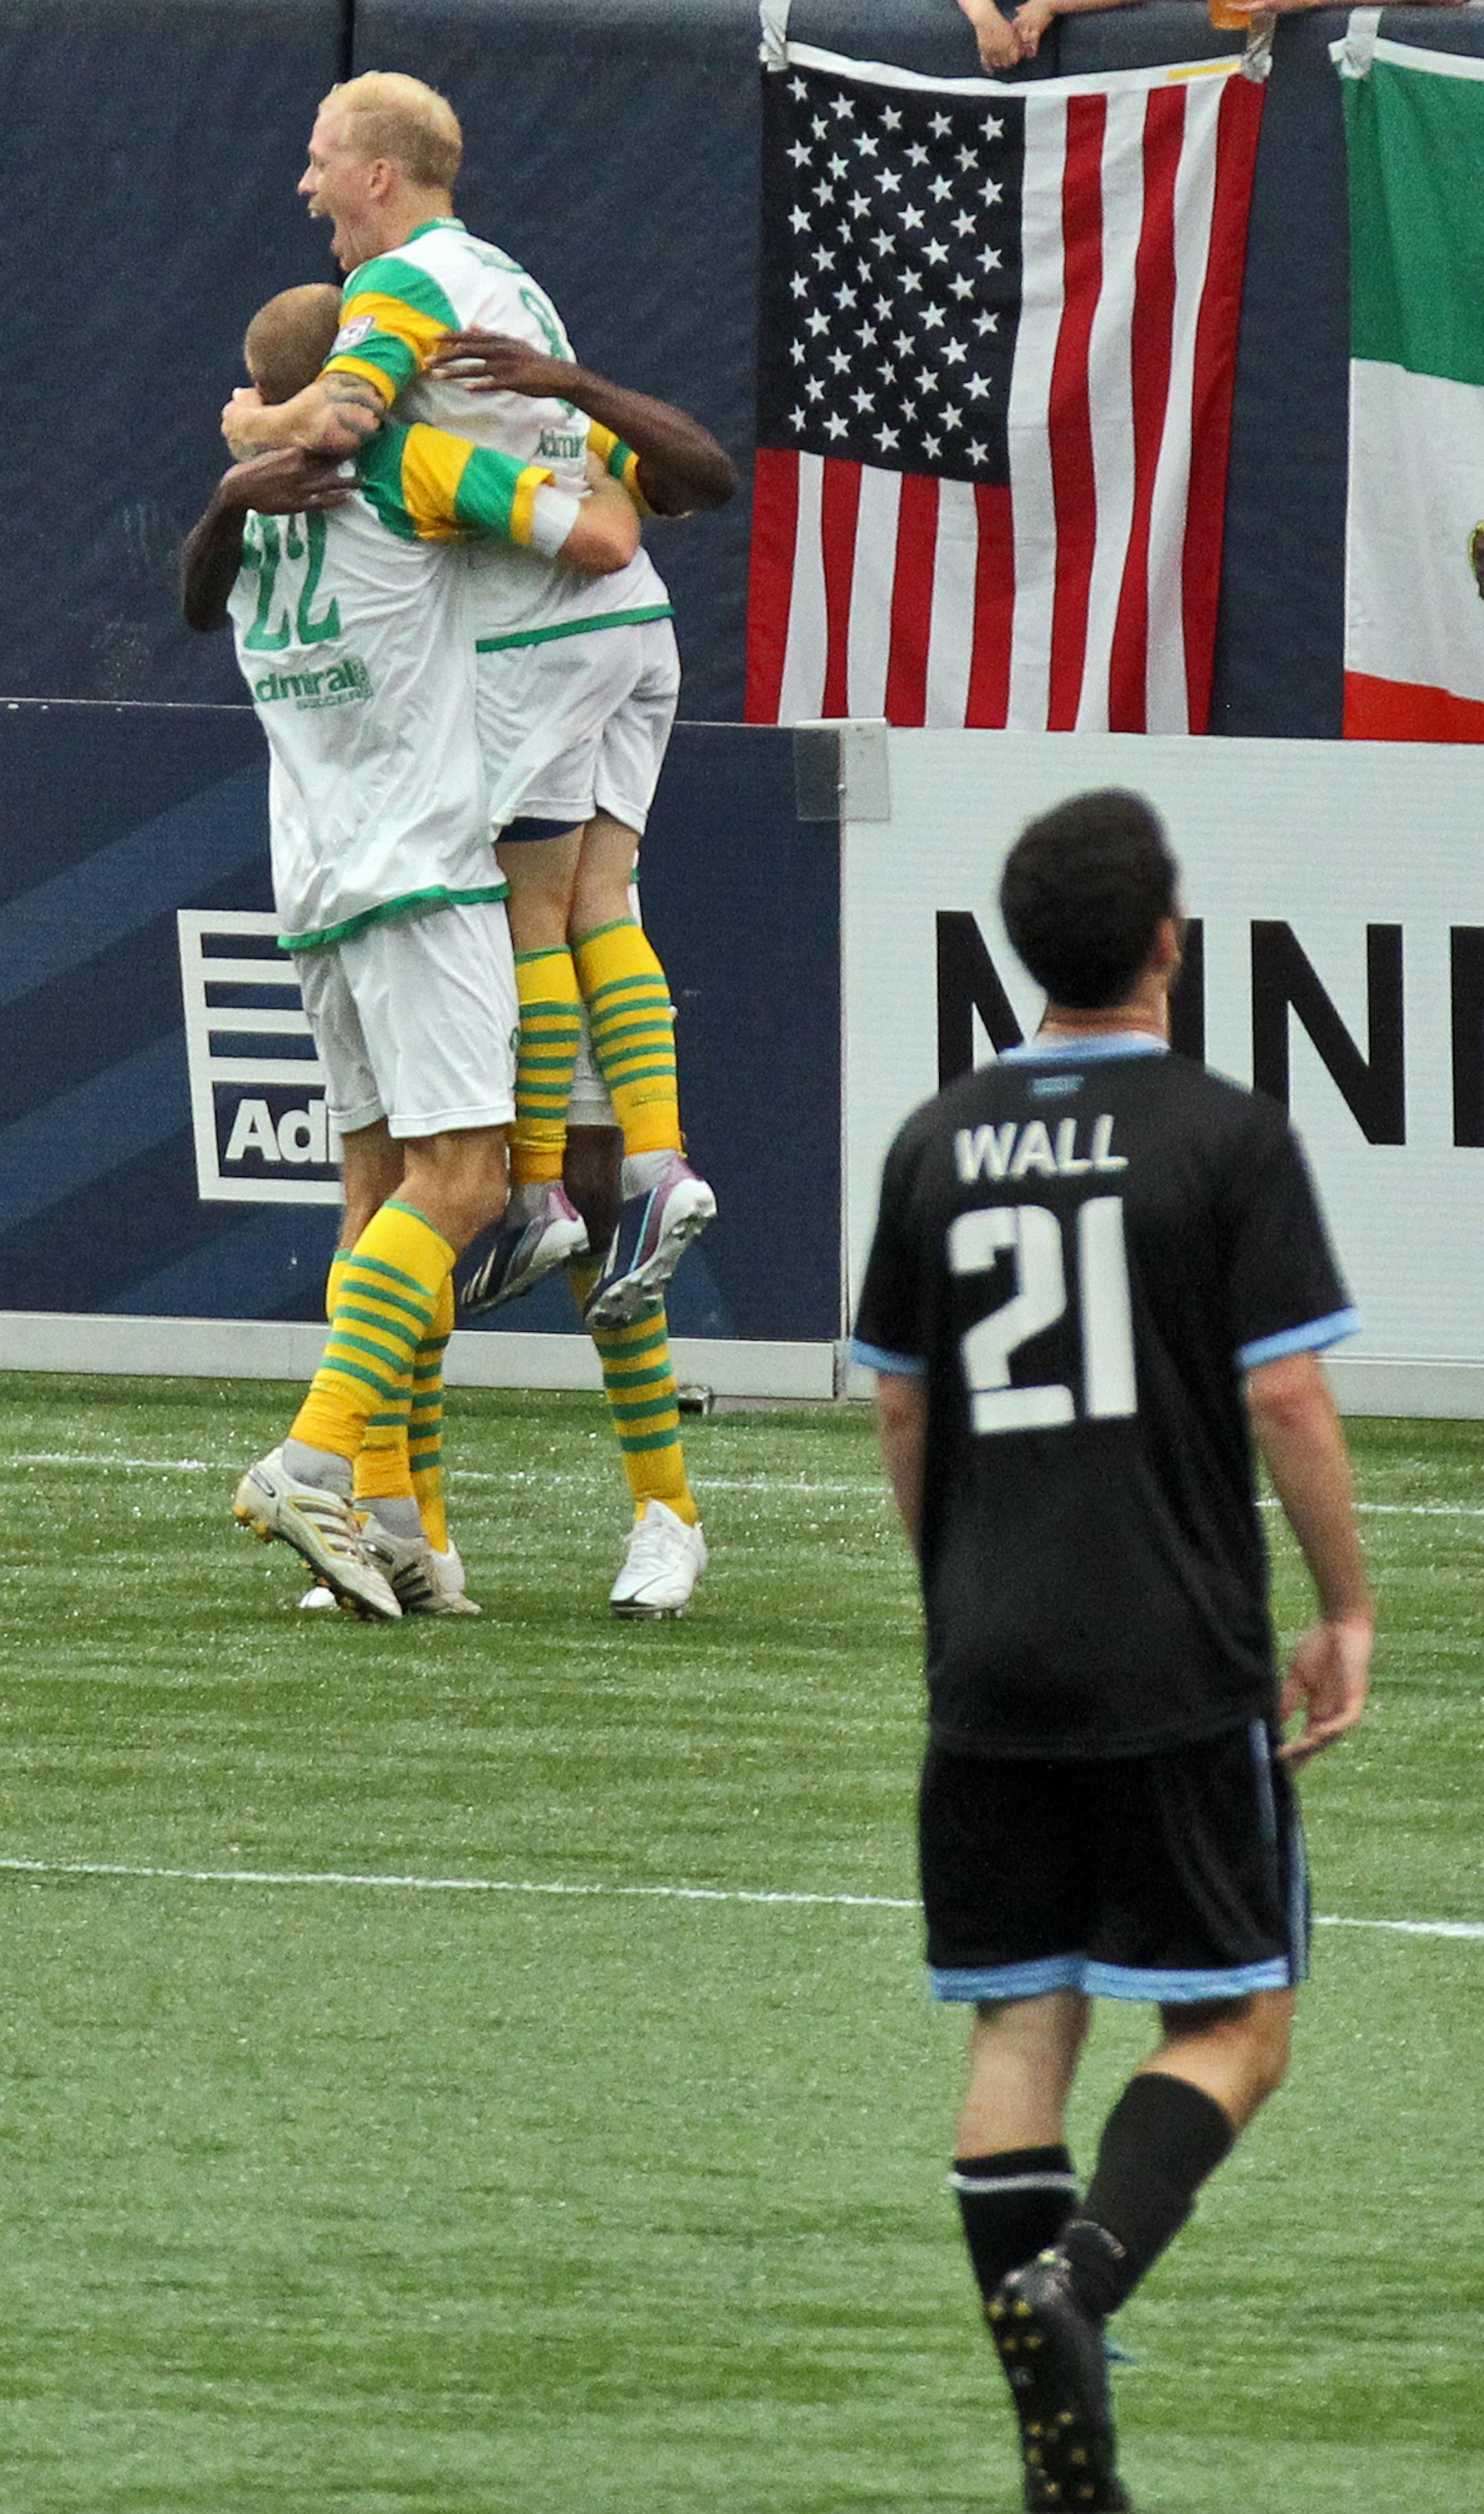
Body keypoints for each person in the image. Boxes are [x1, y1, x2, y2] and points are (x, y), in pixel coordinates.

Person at [850, 788, 1372, 2510]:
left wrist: (960, 1600)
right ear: (1171, 939)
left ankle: (1054, 2451)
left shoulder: (933, 1140)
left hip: (989, 1668)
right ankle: (1080, 2278)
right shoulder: (1223, 1133)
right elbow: (1284, 1390)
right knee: (1238, 2021)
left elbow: (906, 1409)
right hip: (1176, 1660)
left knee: (1022, 2021)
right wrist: (1345, 1607)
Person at [225, 73, 728, 1612]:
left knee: (439, 1188)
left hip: (414, 822)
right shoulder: (501, 294)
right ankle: (415, 1527)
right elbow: (634, 512)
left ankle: (584, 1495)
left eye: (319, 164)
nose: (308, 186)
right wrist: (575, 411)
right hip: (511, 752)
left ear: (377, 178)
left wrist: (254, 429)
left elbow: (360, 413)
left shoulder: (306, 486)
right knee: (461, 1170)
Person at [184, 284, 639, 1618]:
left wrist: (230, 482)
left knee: (373, 1187)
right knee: (467, 1184)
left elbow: (199, 602)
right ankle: (307, 1458)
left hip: (315, 883)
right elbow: (608, 537)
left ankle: (391, 1526)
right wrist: (560, 427)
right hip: (428, 871)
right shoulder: (418, 461)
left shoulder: (253, 507)